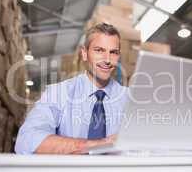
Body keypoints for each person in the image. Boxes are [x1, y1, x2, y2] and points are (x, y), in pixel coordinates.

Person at [15, 23, 128, 154]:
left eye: (113, 52)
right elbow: (26, 141)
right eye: (99, 50)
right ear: (84, 54)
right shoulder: (58, 93)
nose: (107, 59)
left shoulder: (130, 99)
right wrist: (99, 145)